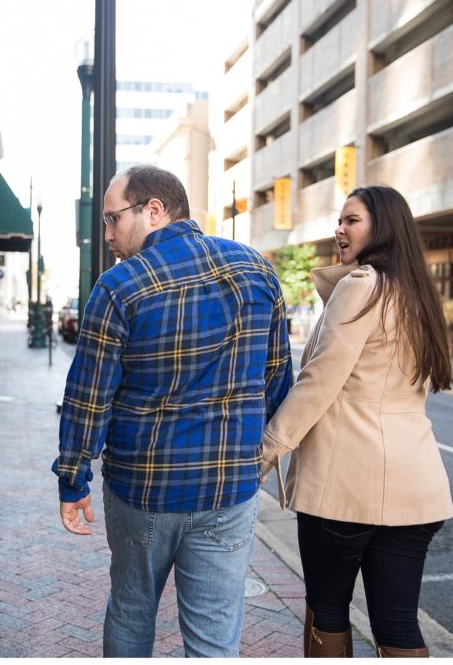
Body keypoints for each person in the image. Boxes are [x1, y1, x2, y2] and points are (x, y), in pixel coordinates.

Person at [52, 165, 292, 657]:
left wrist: (73, 478)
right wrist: (257, 453)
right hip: (229, 488)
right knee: (213, 639)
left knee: (132, 610)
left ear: (154, 210)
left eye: (113, 219)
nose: (108, 234)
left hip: (144, 489)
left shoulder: (120, 287)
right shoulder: (257, 270)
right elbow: (277, 377)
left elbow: (89, 396)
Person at [259, 185, 453, 657]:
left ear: (382, 228)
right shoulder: (420, 295)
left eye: (352, 220)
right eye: (340, 220)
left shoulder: (361, 286)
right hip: (415, 485)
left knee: (327, 611)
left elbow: (318, 382)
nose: (339, 229)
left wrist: (266, 449)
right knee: (397, 622)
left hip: (343, 487)